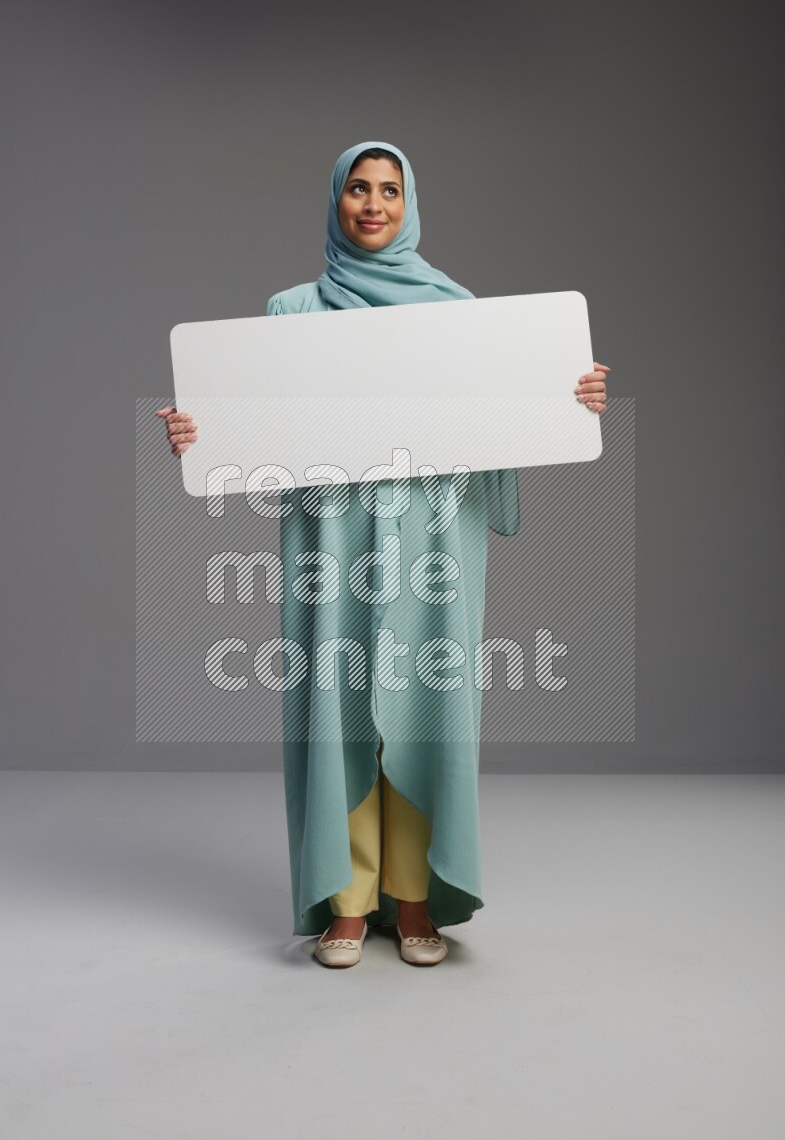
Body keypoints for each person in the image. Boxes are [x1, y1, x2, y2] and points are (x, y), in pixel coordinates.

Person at [156, 140, 610, 968]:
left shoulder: (458, 308)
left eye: (390, 191)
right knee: (337, 712)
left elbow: (501, 419)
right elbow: (256, 430)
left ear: (410, 205)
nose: (373, 204)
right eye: (358, 190)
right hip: (332, 537)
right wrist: (197, 433)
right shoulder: (293, 313)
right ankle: (347, 899)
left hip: (437, 531)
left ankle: (413, 899)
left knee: (425, 706)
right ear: (336, 202)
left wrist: (566, 397)